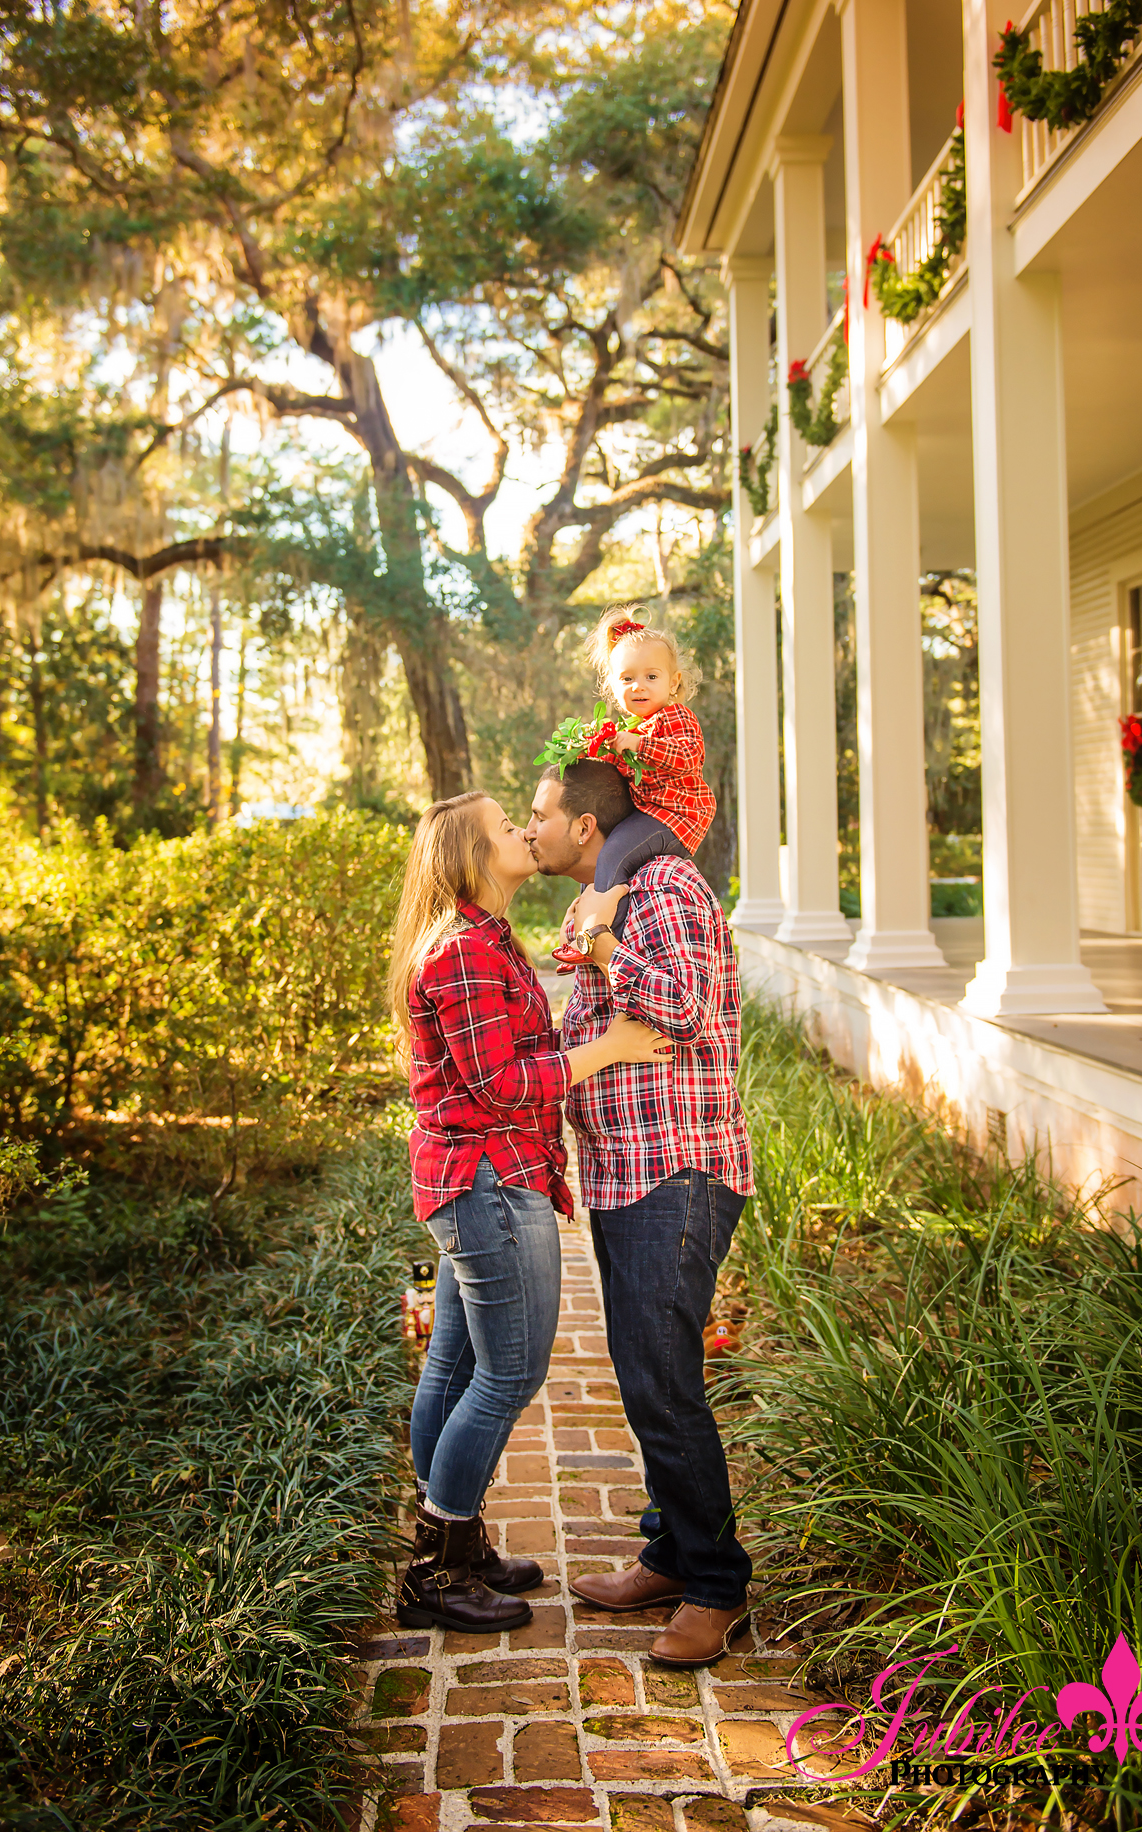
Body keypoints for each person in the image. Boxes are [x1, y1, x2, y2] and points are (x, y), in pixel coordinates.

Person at [386, 790, 671, 1634]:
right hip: (488, 1184)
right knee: (508, 1373)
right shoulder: (463, 955)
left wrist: (595, 936)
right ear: (471, 858)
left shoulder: (484, 939)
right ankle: (436, 1568)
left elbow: (518, 1052)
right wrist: (614, 1046)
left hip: (477, 1178)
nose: (521, 830)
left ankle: (452, 1541)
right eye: (504, 826)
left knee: (454, 1365)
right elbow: (501, 1085)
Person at [526, 759, 754, 1670]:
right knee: (641, 1378)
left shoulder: (661, 888)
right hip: (628, 1176)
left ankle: (714, 1586)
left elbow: (683, 1009)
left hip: (678, 1173)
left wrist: (598, 950)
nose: (529, 825)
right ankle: (668, 1558)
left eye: (539, 813)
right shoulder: (616, 896)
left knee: (663, 1385)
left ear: (586, 826)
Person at [552, 607, 716, 963]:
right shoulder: (630, 731)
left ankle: (604, 938)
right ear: (612, 686)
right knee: (599, 856)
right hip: (648, 813)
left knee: (615, 854)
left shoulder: (676, 718)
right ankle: (583, 924)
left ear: (673, 682)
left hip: (677, 815)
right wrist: (593, 750)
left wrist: (640, 745)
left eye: (651, 676)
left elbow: (689, 757)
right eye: (626, 679)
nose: (638, 686)